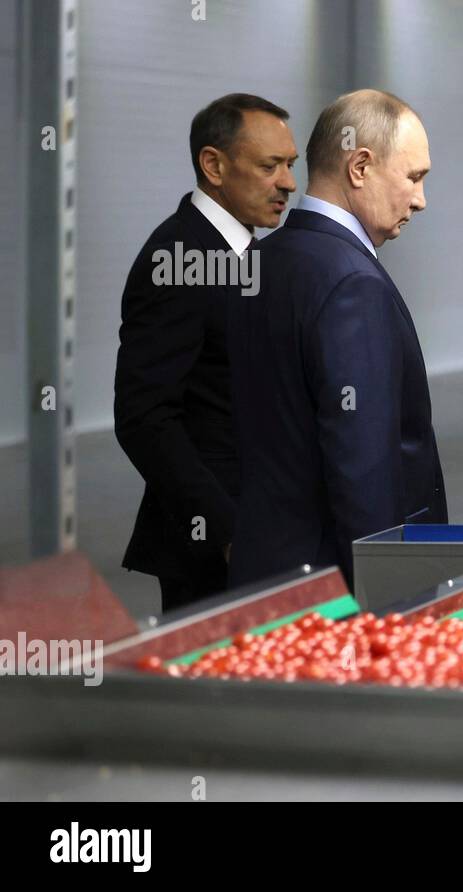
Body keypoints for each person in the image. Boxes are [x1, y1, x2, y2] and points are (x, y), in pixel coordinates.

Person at [227, 89, 448, 589]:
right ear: (360, 167)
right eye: (414, 177)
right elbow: (363, 467)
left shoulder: (259, 262)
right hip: (338, 586)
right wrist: (389, 596)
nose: (420, 199)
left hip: (267, 569)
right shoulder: (353, 283)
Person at [114, 93, 297, 611]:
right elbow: (144, 417)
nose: (287, 182)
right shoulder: (178, 259)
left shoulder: (242, 253)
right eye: (270, 166)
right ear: (213, 165)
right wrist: (227, 529)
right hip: (213, 552)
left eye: (290, 165)